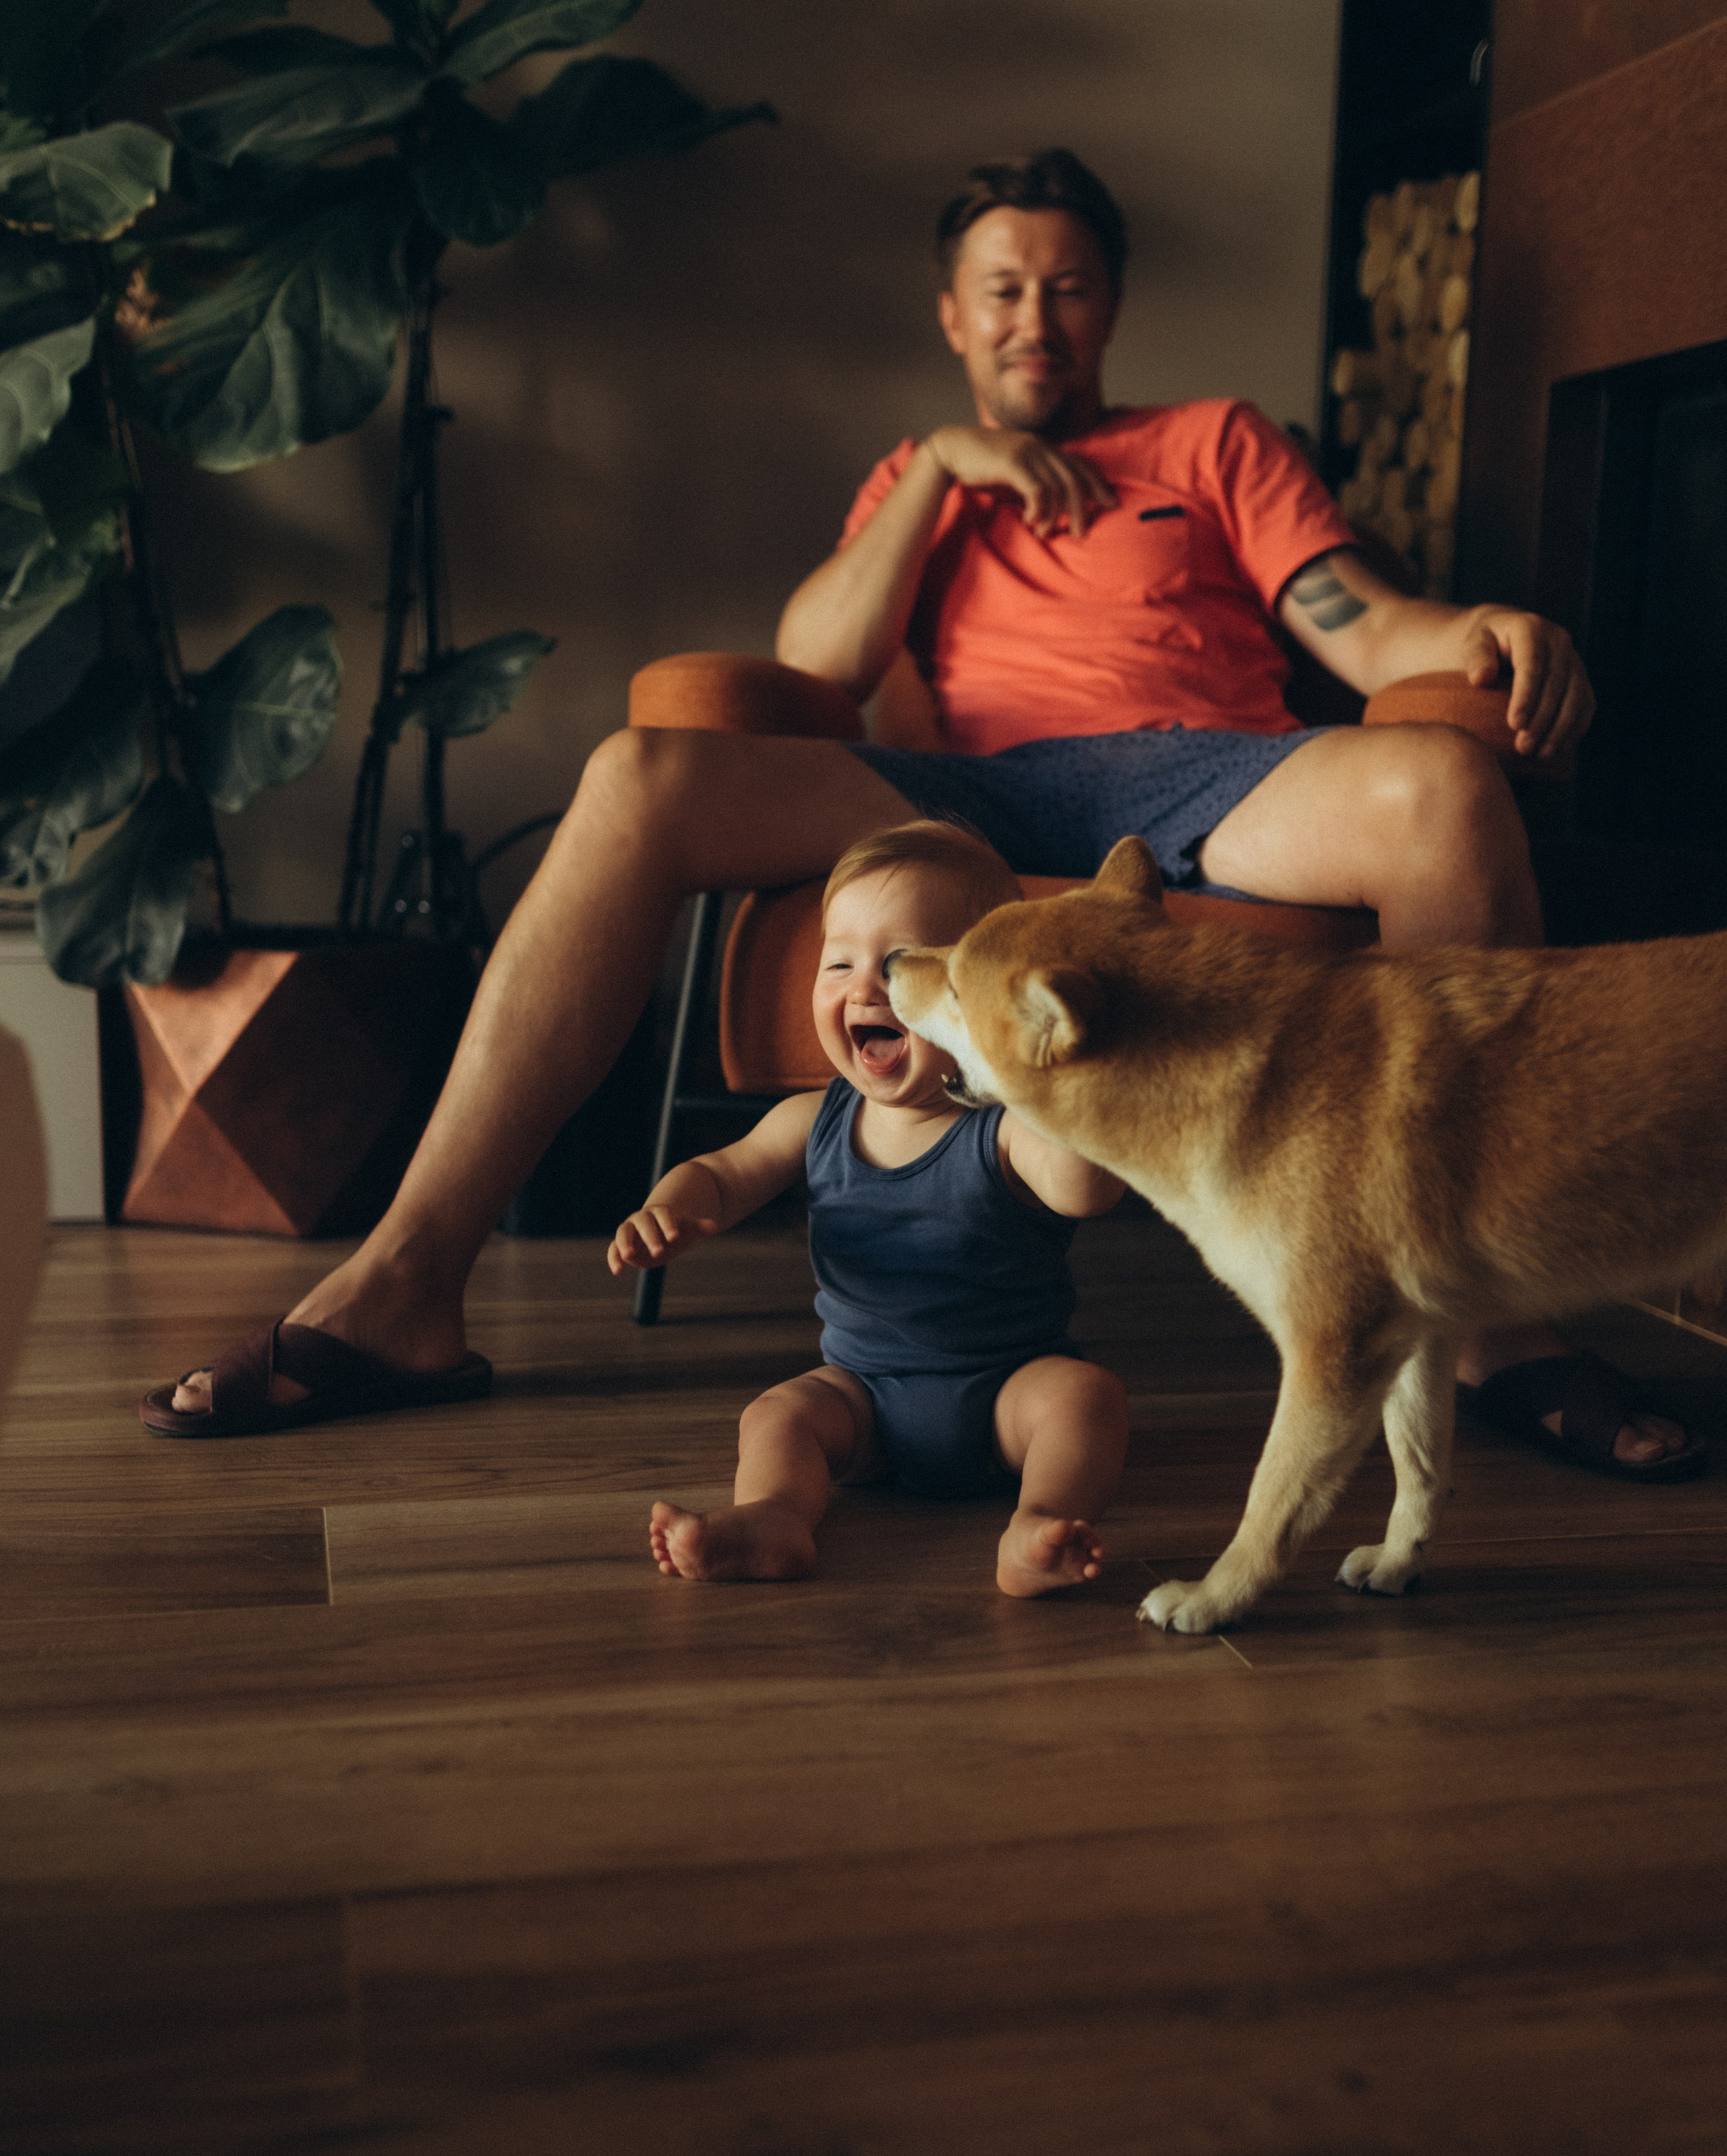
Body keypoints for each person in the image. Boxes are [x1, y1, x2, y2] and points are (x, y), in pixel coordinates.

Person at [141, 146, 1695, 1480]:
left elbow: (1361, 627)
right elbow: (816, 667)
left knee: (1438, 776)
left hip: (1194, 768)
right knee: (632, 773)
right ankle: (408, 1282)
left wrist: (1475, 628)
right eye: (1002, 288)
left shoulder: (1211, 441)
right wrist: (938, 472)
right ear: (953, 316)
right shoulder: (916, 477)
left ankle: (1490, 1317)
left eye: (1068, 285)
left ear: (1110, 305)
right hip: (961, 791)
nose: (1036, 315)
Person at [611, 821, 1128, 1593]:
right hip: (862, 1397)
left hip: (1006, 1392)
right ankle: (775, 1517)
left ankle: (1037, 1524)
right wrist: (670, 1207)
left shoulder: (1008, 1130)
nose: (863, 988)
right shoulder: (812, 1119)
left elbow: (1085, 1188)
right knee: (776, 1416)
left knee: (1086, 1399)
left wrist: (1061, 1080)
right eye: (840, 962)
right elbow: (721, 1172)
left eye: (898, 965)